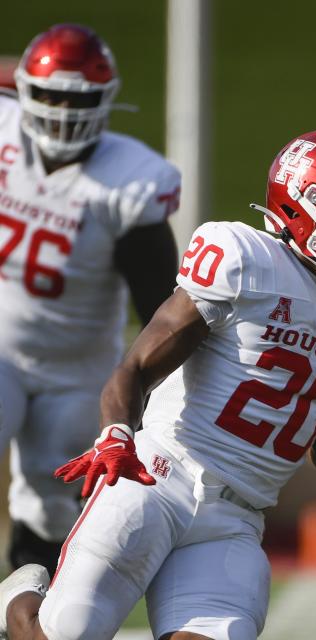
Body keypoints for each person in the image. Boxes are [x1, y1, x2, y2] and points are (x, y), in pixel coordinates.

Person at [0, 129, 316, 640]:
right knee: (70, 631)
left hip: (236, 518)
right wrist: (115, 434)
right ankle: (18, 597)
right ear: (299, 207)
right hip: (156, 479)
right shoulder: (244, 259)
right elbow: (135, 366)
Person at [0, 24, 181, 576]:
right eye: (51, 93)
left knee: (53, 502)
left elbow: (158, 301)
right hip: (1, 349)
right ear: (24, 90)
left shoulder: (130, 179)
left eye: (76, 98)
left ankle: (23, 616)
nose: (62, 110)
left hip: (77, 368)